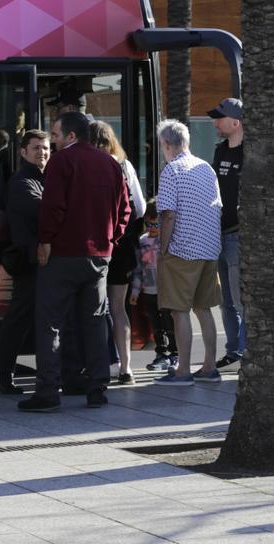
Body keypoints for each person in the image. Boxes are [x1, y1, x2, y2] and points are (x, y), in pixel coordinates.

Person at [18, 112, 130, 412]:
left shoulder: (62, 162)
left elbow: (53, 207)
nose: (51, 142)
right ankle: (97, 388)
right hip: (98, 256)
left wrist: (45, 241)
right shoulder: (110, 163)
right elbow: (125, 210)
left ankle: (47, 391)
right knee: (94, 322)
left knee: (50, 323)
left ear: (70, 136)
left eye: (55, 135)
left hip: (64, 255)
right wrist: (111, 242)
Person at [153, 119, 225, 386]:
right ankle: (209, 366)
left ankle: (183, 370)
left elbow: (168, 215)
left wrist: (163, 248)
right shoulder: (206, 167)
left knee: (178, 310)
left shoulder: (172, 171)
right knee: (203, 308)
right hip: (209, 249)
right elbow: (217, 207)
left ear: (167, 144)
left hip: (182, 250)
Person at [0, 129, 49, 394]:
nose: (42, 152)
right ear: (23, 152)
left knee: (24, 319)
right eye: (36, 148)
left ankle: (1, 372)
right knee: (20, 319)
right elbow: (43, 210)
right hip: (29, 262)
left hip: (36, 260)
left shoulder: (43, 178)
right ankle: (0, 373)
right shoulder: (23, 181)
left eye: (46, 148)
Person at [89, 120, 147, 385]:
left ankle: (99, 365)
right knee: (119, 307)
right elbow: (141, 207)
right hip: (122, 245)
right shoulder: (124, 165)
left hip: (95, 243)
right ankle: (126, 368)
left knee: (94, 308)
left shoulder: (88, 164)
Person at [208, 98, 245, 370]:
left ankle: (243, 351)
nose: (215, 122)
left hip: (238, 235)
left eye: (220, 118)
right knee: (226, 302)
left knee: (241, 299)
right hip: (218, 234)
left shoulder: (249, 153)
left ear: (236, 122)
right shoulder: (220, 151)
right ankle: (233, 351)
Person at [131, 204, 178, 371]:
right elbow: (138, 269)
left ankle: (174, 353)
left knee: (169, 321)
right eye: (148, 224)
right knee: (155, 323)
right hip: (149, 290)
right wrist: (136, 291)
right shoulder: (142, 241)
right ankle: (161, 353)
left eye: (156, 224)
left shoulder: (168, 239)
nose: (151, 228)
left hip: (165, 289)